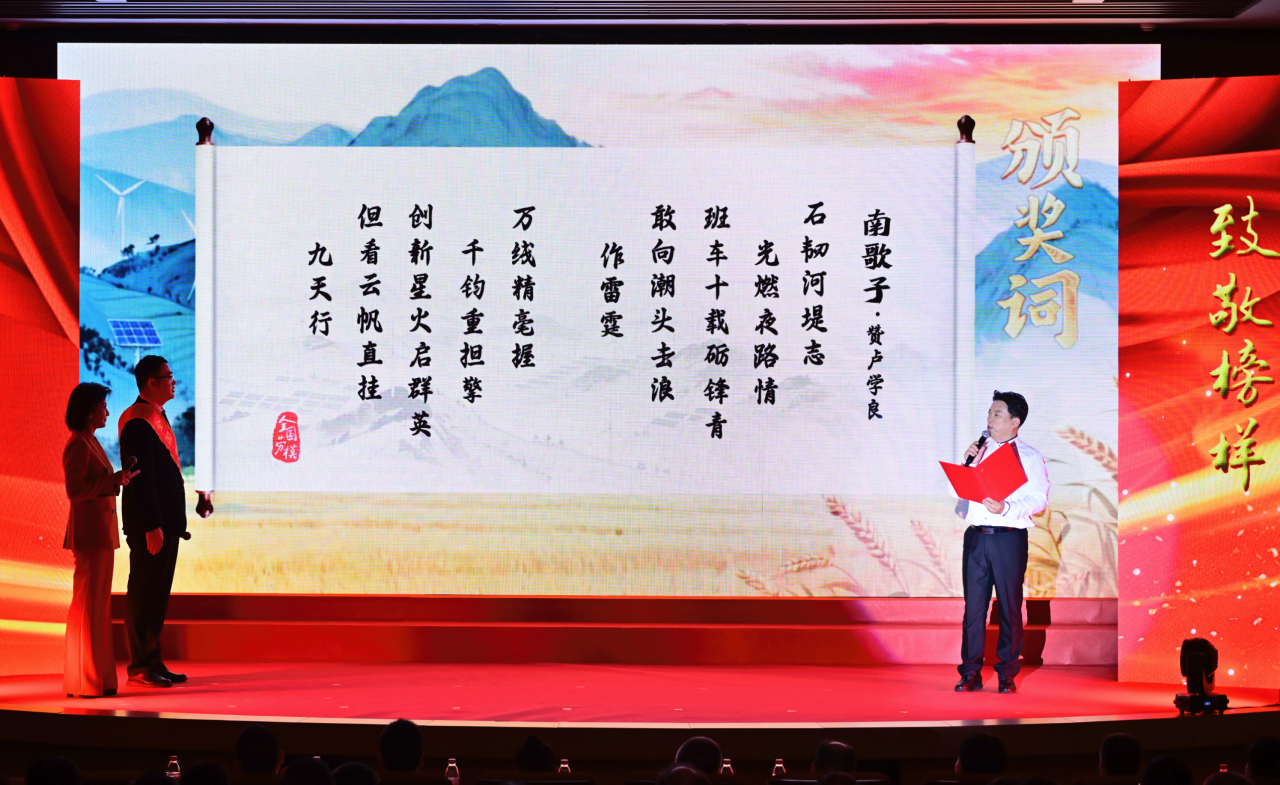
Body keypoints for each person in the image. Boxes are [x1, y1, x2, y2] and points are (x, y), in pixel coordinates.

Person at [955, 391, 1049, 694]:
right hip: (976, 537)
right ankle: (970, 672)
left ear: (1015, 421)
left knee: (1010, 607)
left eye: (997, 414)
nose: (989, 419)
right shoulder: (977, 452)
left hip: (1008, 538)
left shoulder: (1030, 457)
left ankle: (1007, 672)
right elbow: (958, 492)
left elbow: (1039, 499)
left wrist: (1006, 508)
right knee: (973, 609)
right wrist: (967, 465)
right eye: (989, 413)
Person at [62, 382, 138, 698]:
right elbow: (75, 490)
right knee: (88, 607)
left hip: (101, 534)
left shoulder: (91, 441)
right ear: (89, 410)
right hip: (90, 535)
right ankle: (84, 680)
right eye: (103, 406)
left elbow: (97, 483)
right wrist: (112, 480)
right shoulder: (78, 444)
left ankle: (98, 679)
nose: (107, 412)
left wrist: (118, 478)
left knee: (97, 607)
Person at [119, 355, 188, 688]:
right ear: (151, 382)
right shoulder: (138, 420)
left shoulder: (155, 414)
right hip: (151, 524)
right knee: (145, 591)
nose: (174, 381)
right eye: (168, 376)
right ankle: (140, 665)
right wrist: (152, 524)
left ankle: (153, 660)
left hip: (164, 522)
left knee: (157, 594)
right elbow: (141, 478)